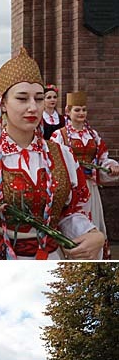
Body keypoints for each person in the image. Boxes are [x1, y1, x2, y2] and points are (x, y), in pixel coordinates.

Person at [0, 48, 105, 260]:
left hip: (51, 258)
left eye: (38, 99)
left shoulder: (62, 155)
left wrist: (92, 234)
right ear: (4, 105)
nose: (33, 107)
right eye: (22, 98)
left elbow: (72, 211)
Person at [53, 91, 119, 250]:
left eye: (84, 109)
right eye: (77, 109)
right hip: (72, 189)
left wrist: (110, 166)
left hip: (90, 187)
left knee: (93, 221)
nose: (81, 113)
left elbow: (102, 157)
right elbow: (55, 163)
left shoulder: (93, 135)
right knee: (75, 220)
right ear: (68, 112)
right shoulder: (59, 135)